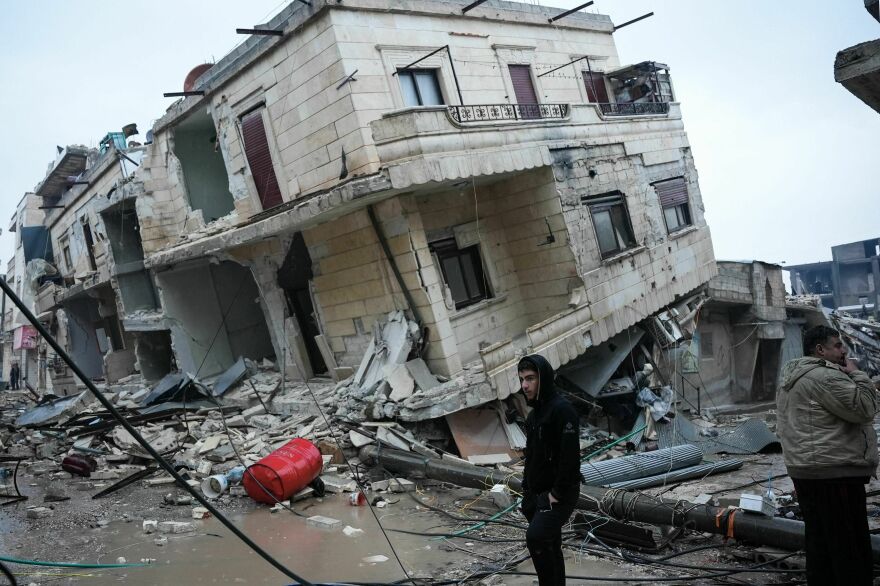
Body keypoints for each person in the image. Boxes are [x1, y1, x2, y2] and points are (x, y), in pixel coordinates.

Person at [776, 325, 879, 585]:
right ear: (819, 350)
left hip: (807, 470)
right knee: (849, 545)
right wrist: (858, 376)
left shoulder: (795, 375)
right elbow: (864, 408)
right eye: (837, 345)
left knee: (821, 543)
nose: (843, 350)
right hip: (833, 471)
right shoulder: (825, 377)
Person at [518, 354, 581, 585]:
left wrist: (556, 494)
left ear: (543, 378)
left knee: (537, 538)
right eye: (522, 379)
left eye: (530, 378)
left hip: (558, 494)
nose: (524, 385)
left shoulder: (563, 411)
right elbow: (531, 456)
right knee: (550, 544)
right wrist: (527, 492)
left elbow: (570, 459)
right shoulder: (535, 415)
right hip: (537, 495)